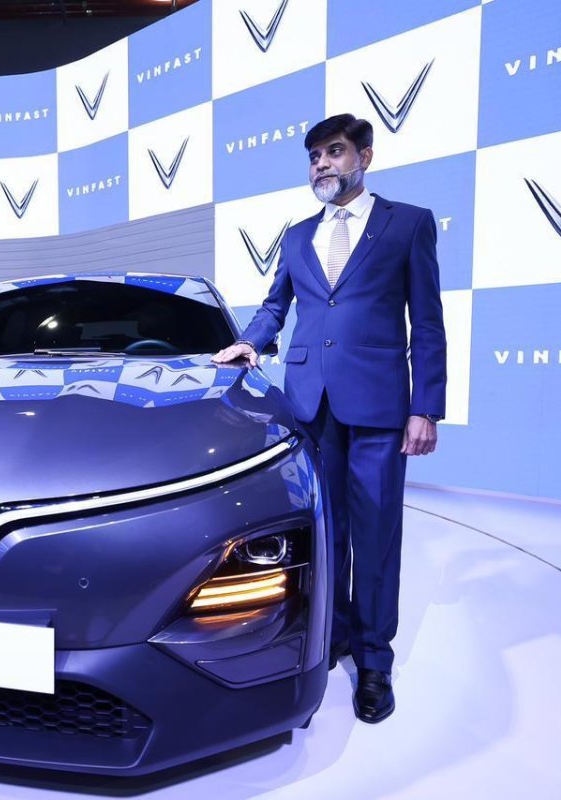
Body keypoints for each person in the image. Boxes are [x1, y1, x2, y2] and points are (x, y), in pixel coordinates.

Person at [213, 113, 447, 724]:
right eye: (315, 156)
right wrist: (250, 341)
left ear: (364, 156)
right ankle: (334, 632)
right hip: (310, 404)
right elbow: (276, 305)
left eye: (335, 151)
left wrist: (425, 406)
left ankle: (374, 660)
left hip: (379, 406)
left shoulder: (408, 224)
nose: (322, 164)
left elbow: (427, 323)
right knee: (326, 532)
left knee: (375, 535)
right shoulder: (297, 236)